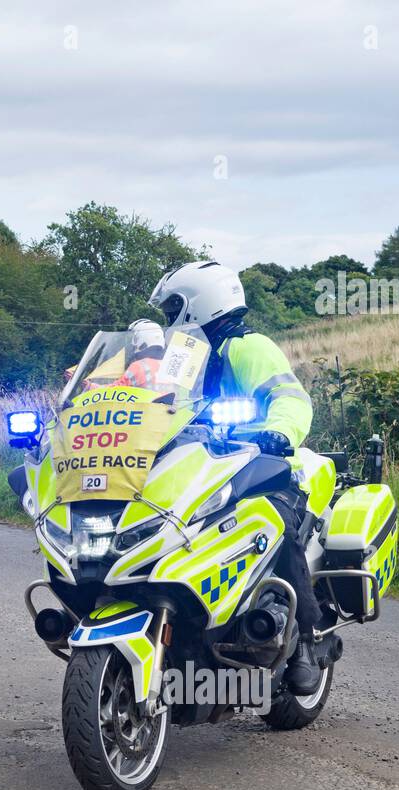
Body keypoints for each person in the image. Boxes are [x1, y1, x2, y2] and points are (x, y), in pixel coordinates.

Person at [147, 261, 323, 694]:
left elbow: (290, 398)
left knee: (274, 523)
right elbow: (157, 406)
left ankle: (307, 642)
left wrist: (278, 431)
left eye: (173, 307)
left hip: (259, 461)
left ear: (199, 302)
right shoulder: (184, 356)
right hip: (197, 465)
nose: (168, 319)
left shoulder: (248, 347)